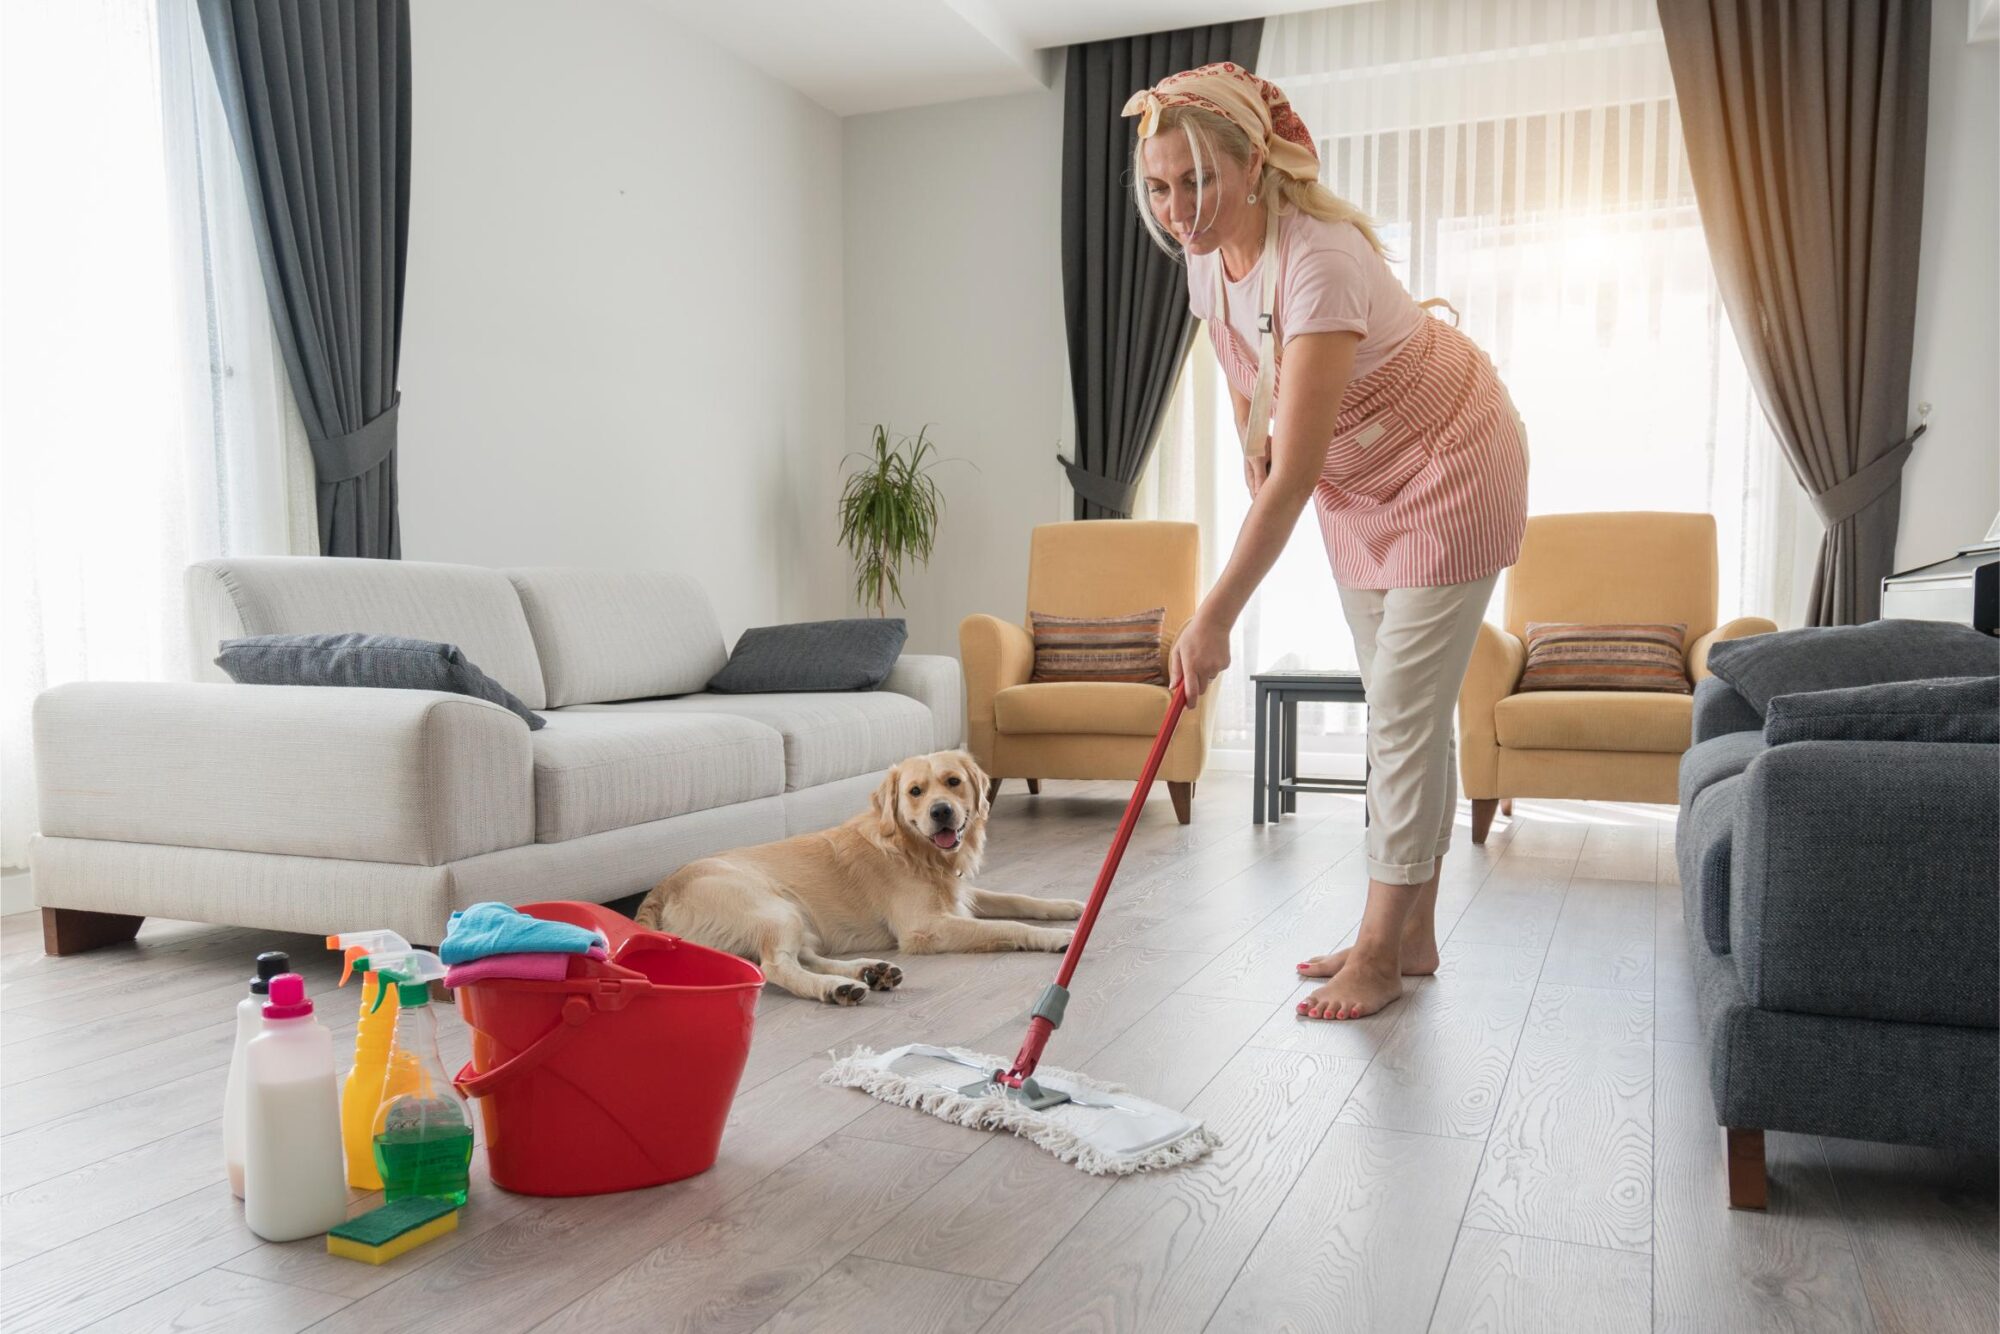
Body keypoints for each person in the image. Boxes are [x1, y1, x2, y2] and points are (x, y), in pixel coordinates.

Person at [1127, 63, 1529, 1020]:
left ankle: (1381, 954)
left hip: (1452, 461)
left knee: (1396, 711)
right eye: (1160, 186)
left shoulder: (1321, 258)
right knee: (1409, 710)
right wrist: (1249, 454)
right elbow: (1241, 377)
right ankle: (1411, 934)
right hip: (1364, 487)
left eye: (1197, 182)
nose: (1179, 209)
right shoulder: (1203, 256)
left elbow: (1298, 476)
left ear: (1252, 164)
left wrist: (1215, 613)